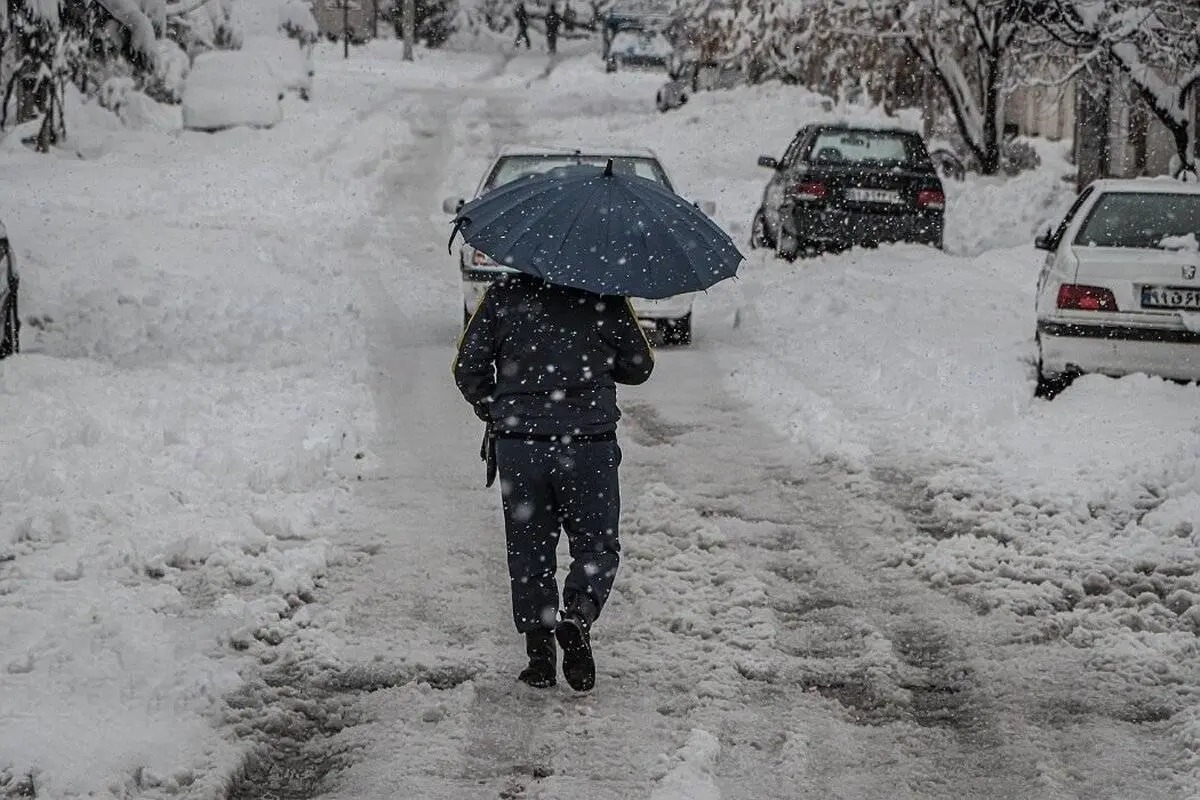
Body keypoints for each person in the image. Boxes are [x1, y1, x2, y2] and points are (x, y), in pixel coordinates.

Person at [453, 273, 654, 692]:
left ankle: (539, 657)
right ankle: (578, 615)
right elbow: (640, 366)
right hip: (589, 444)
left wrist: (496, 406)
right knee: (596, 545)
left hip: (521, 445)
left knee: (528, 548)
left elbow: (467, 367)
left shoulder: (502, 296)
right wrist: (598, 359)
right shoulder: (604, 294)